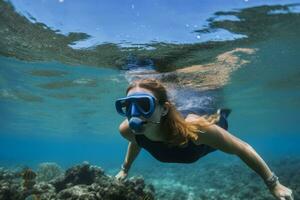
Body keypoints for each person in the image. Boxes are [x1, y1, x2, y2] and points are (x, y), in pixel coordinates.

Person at [114, 78, 293, 200]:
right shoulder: (128, 130)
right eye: (128, 106)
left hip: (207, 124)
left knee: (218, 118)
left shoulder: (196, 129)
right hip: (186, 128)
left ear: (164, 108)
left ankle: (220, 112)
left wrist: (273, 184)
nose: (134, 114)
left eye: (144, 104)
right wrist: (125, 169)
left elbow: (242, 148)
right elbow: (137, 141)